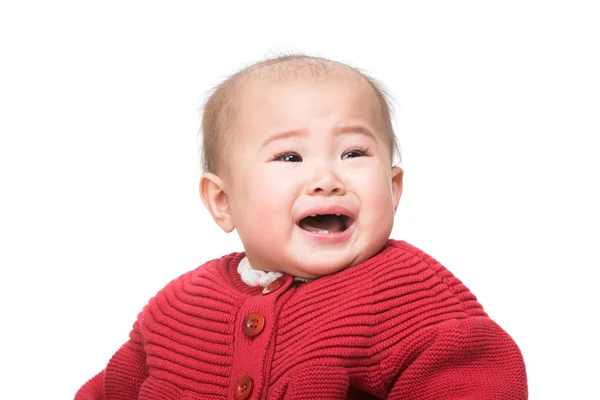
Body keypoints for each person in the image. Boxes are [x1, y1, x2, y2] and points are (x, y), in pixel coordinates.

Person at [75, 54, 527, 399]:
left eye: (353, 153)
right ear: (223, 201)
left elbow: (475, 378)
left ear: (393, 188)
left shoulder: (408, 293)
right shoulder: (178, 307)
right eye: (289, 158)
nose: (327, 180)